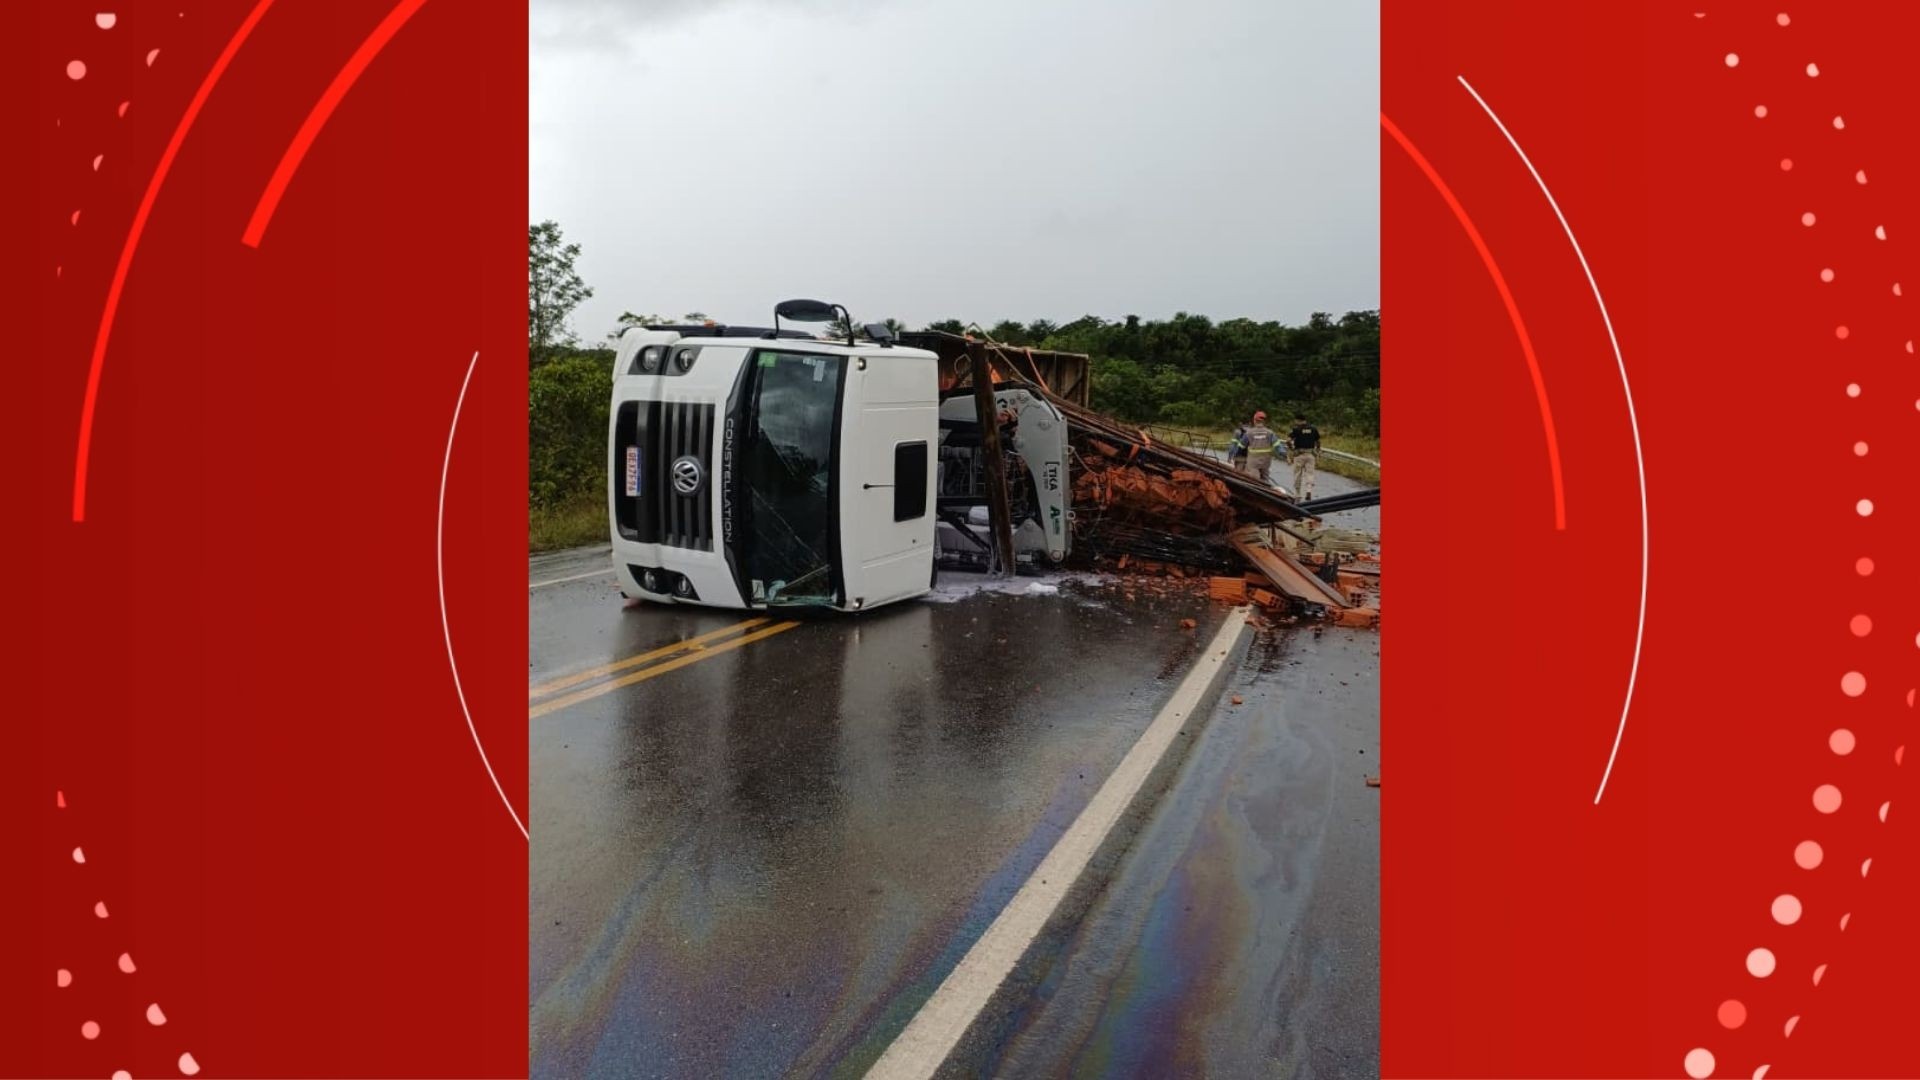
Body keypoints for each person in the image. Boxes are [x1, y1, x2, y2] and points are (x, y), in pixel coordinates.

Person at [1235, 410, 1279, 483]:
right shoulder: (1270, 433)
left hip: (1253, 462)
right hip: (1266, 461)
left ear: (1254, 420)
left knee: (1255, 481)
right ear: (1264, 421)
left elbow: (1241, 446)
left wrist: (1237, 457)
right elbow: (1278, 446)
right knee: (1265, 481)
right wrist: (1285, 455)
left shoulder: (1249, 433)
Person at [1287, 412, 1321, 499]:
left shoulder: (1296, 429)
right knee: (1310, 473)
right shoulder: (1313, 429)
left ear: (1298, 420)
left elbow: (1288, 441)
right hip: (1310, 455)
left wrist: (1291, 448)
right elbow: (1318, 441)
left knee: (1297, 474)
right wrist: (1318, 450)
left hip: (1299, 454)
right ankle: (1308, 490)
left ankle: (1297, 493)